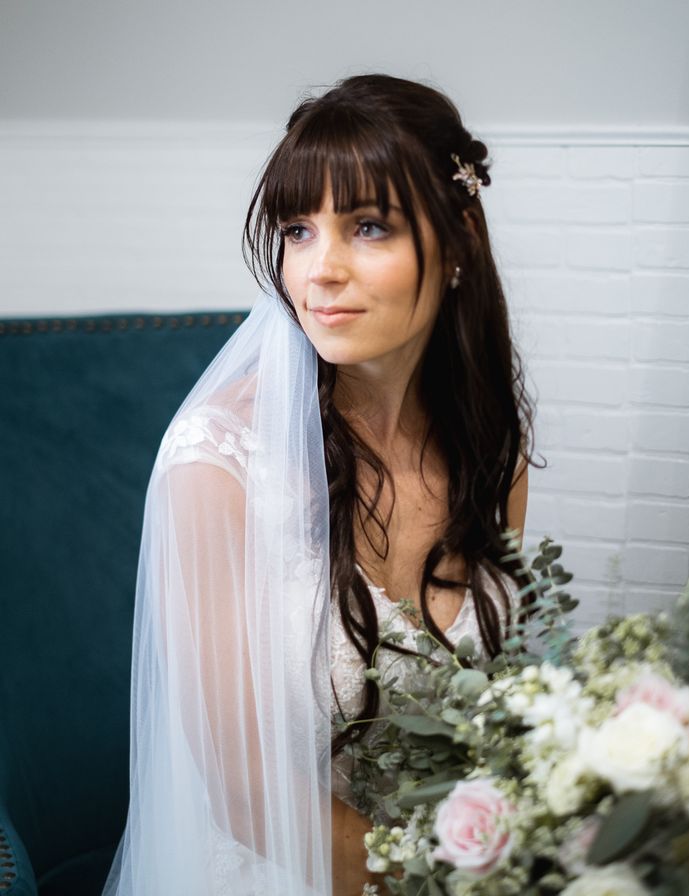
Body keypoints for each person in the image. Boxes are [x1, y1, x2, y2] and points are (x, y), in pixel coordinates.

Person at [101, 74, 536, 896]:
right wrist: (430, 879)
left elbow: (501, 705)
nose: (319, 271)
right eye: (298, 230)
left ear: (460, 240)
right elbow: (241, 792)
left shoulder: (494, 450)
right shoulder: (216, 465)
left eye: (367, 226)